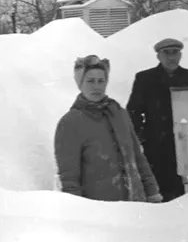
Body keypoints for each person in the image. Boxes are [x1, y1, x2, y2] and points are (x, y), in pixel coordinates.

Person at [54, 54, 163, 203]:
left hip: (135, 204)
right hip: (100, 211)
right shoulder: (69, 123)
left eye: (101, 81)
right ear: (80, 83)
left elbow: (138, 157)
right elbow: (69, 177)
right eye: (90, 81)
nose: (96, 86)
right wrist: (76, 211)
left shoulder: (119, 113)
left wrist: (152, 192)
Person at [126, 38, 188, 203]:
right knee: (160, 196)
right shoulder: (145, 79)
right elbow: (133, 111)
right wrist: (142, 137)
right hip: (157, 149)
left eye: (175, 52)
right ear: (158, 56)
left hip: (186, 148)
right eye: (166, 53)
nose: (171, 57)